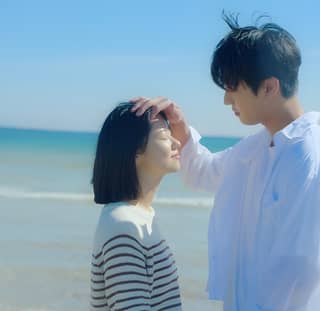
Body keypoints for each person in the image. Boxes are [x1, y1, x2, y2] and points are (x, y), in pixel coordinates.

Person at [130, 14, 320, 311]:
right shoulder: (258, 146)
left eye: (232, 87)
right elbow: (203, 173)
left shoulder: (307, 151)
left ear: (269, 87)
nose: (226, 100)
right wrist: (180, 127)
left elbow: (299, 266)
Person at [90, 102, 183, 311]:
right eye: (163, 137)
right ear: (135, 151)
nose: (176, 143)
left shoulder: (142, 216)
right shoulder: (123, 225)